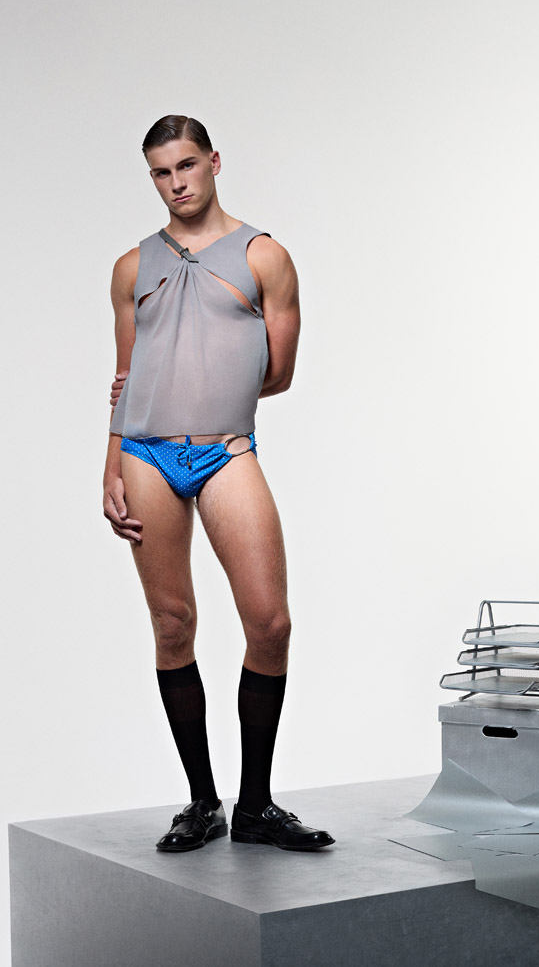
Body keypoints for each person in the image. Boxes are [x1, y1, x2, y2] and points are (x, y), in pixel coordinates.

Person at [102, 115, 334, 853]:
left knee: (270, 624)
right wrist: (110, 466)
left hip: (225, 451)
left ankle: (255, 806)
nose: (176, 183)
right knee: (172, 624)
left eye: (187, 165)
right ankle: (203, 803)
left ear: (213, 162)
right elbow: (125, 377)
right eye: (161, 172)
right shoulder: (131, 267)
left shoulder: (264, 256)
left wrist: (202, 387)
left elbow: (279, 372)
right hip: (144, 455)